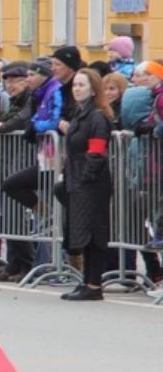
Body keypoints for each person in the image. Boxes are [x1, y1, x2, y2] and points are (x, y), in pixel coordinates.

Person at [59, 68, 114, 301]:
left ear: (93, 89)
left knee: (94, 234)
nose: (77, 89)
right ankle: (86, 281)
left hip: (92, 181)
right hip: (77, 178)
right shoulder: (80, 114)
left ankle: (94, 285)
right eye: (75, 85)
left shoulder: (98, 116)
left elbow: (97, 152)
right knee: (82, 233)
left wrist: (84, 178)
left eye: (82, 85)